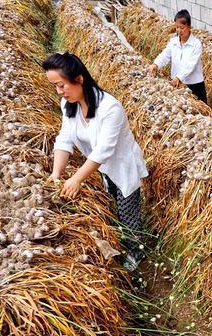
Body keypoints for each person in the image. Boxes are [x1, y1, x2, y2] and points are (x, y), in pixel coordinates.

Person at [42, 52, 148, 268]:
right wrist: (56, 174)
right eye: (55, 86)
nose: (59, 92)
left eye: (61, 85)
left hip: (122, 167)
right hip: (100, 168)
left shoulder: (110, 108)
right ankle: (120, 243)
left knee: (128, 212)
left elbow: (103, 150)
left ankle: (136, 255)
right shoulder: (68, 105)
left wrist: (77, 179)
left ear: (79, 79)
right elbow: (65, 138)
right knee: (113, 206)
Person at [146, 9, 207, 104]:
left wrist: (178, 77)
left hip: (194, 85)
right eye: (177, 27)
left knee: (202, 113)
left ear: (189, 26)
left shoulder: (196, 44)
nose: (179, 31)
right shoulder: (173, 42)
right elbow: (165, 55)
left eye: (182, 28)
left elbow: (190, 65)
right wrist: (155, 64)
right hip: (176, 84)